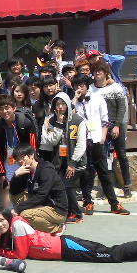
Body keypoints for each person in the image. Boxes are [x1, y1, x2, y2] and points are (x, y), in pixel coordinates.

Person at [0, 209, 137, 267]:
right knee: (110, 255)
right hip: (65, 250)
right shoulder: (9, 230)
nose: (0, 225)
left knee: (111, 254)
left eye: (2, 220)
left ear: (8, 218)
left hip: (67, 247)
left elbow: (20, 255)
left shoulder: (17, 226)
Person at [71, 74, 129, 215]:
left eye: (82, 85)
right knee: (86, 173)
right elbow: (69, 117)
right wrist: (75, 99)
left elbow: (105, 118)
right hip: (82, 141)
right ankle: (87, 202)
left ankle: (114, 204)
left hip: (97, 139)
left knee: (104, 172)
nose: (79, 88)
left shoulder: (97, 98)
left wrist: (103, 136)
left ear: (87, 86)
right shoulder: (74, 102)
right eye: (76, 86)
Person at [39, 93, 88, 224]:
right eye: (57, 104)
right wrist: (59, 125)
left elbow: (81, 144)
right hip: (58, 161)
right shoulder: (50, 121)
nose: (60, 107)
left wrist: (73, 163)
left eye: (63, 104)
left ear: (68, 105)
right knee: (61, 187)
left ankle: (76, 213)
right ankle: (69, 212)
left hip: (75, 162)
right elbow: (50, 141)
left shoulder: (78, 120)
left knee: (66, 186)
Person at [91, 60, 132, 199]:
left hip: (115, 124)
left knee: (121, 155)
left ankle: (127, 186)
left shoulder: (115, 87)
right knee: (102, 157)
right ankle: (106, 188)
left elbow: (122, 107)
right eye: (95, 71)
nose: (97, 73)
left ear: (106, 73)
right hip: (99, 127)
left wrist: (117, 125)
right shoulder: (91, 89)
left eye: (100, 71)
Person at [7, 143, 67, 234]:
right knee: (14, 196)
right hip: (42, 204)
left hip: (56, 209)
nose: (20, 161)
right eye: (18, 159)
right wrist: (16, 176)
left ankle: (57, 228)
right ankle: (37, 222)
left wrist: (18, 209)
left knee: (25, 214)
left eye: (22, 158)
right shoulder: (27, 170)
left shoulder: (45, 170)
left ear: (31, 156)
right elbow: (14, 192)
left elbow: (42, 195)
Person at [0, 96, 37, 191]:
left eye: (7, 108)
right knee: (9, 187)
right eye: (1, 109)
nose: (4, 111)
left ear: (14, 108)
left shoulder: (25, 122)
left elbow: (32, 146)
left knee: (26, 188)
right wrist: (1, 172)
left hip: (24, 159)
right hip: (8, 161)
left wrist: (30, 163)